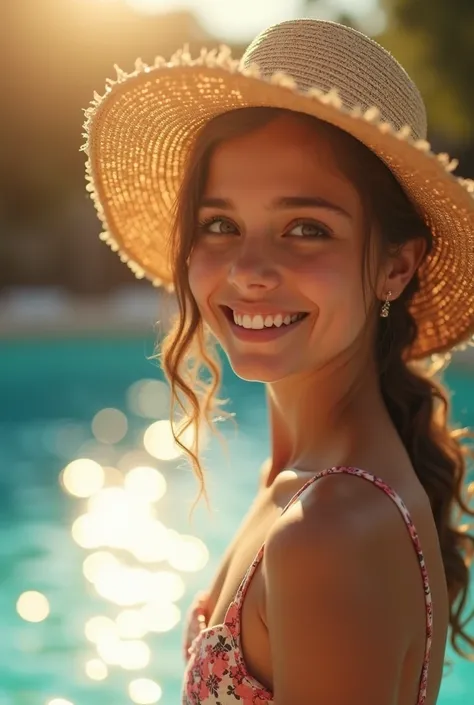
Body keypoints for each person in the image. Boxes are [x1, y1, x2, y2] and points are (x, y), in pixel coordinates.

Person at [83, 18, 474, 705]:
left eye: (305, 228)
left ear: (396, 265)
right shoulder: (304, 480)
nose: (249, 269)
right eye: (220, 224)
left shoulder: (329, 531)